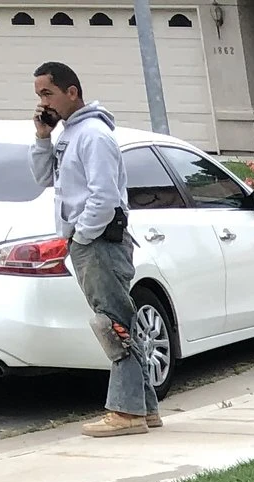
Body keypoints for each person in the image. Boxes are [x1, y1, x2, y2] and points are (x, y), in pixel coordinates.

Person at [30, 62, 160, 437]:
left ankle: (125, 413)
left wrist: (82, 235)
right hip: (90, 243)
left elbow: (104, 198)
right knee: (119, 320)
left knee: (113, 324)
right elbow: (44, 178)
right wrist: (42, 137)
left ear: (72, 92)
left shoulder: (94, 136)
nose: (43, 102)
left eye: (47, 93)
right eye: (39, 95)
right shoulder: (70, 134)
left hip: (101, 243)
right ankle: (145, 409)